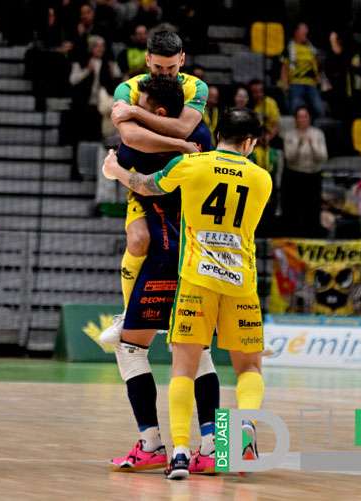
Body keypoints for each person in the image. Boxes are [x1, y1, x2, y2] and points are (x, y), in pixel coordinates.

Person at [101, 108, 272, 480]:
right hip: (241, 282)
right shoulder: (262, 179)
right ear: (249, 143)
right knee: (250, 368)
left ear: (218, 133)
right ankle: (239, 434)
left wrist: (116, 172)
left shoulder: (191, 166)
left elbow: (147, 185)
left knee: (184, 367)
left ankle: (178, 453)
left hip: (197, 281)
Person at [104, 76, 218, 475]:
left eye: (145, 105)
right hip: (206, 259)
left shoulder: (149, 147)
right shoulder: (205, 139)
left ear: (160, 112)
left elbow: (144, 177)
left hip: (165, 253)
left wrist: (116, 170)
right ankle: (214, 444)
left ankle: (151, 442)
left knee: (130, 347)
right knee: (198, 353)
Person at [103, 29, 208, 342]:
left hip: (188, 181)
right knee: (137, 241)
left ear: (182, 61)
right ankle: (128, 315)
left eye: (171, 68)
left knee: (198, 252)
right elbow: (131, 138)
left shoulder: (195, 86)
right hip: (146, 176)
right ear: (147, 59)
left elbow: (185, 126)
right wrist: (180, 144)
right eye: (158, 68)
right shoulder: (127, 88)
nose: (165, 75)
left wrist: (136, 113)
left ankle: (207, 320)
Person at [283, 106, 328, 237]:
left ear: (309, 118)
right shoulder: (290, 135)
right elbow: (289, 158)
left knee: (313, 208)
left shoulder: (318, 134)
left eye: (305, 116)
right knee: (294, 208)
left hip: (313, 176)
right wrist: (299, 144)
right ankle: (294, 235)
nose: (302, 119)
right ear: (296, 119)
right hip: (295, 175)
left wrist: (312, 145)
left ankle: (313, 235)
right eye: (299, 117)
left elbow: (323, 157)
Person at [68, 35, 121, 142]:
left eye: (102, 46)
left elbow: (118, 77)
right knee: (83, 133)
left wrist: (113, 72)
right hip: (84, 102)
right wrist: (87, 70)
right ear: (91, 48)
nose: (100, 49)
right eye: (97, 46)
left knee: (98, 134)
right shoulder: (82, 61)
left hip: (101, 104)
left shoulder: (108, 62)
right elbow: (73, 80)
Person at [282, 22, 325, 119]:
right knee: (294, 108)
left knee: (319, 109)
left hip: (311, 84)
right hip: (296, 83)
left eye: (306, 29)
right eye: (303, 29)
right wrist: (285, 84)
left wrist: (320, 80)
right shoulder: (290, 47)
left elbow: (317, 67)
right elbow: (284, 68)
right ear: (296, 32)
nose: (306, 31)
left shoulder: (311, 48)